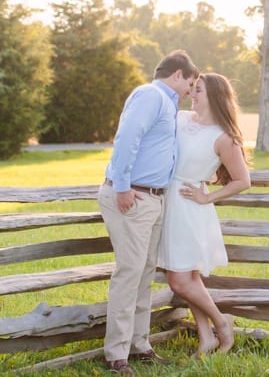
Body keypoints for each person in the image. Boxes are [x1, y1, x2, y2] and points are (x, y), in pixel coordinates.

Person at [99, 50, 199, 375]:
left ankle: (139, 345)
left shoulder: (168, 105)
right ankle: (116, 355)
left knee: (143, 274)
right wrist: (123, 185)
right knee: (129, 273)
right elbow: (127, 138)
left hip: (153, 198)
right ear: (177, 75)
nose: (190, 90)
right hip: (133, 196)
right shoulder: (150, 95)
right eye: (190, 83)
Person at [157, 72, 251, 356]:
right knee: (190, 277)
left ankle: (221, 324)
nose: (192, 94)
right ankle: (206, 337)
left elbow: (242, 180)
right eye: (193, 89)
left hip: (189, 207)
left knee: (179, 280)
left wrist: (208, 196)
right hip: (168, 200)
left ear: (214, 96)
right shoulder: (181, 119)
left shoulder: (224, 137)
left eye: (198, 90)